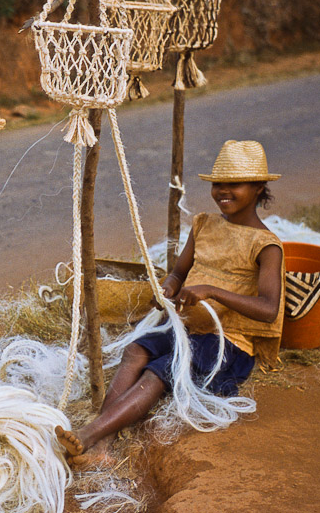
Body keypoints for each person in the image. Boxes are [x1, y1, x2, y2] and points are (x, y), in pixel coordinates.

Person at [56, 139, 285, 468]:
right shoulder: (204, 224)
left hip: (225, 344)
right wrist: (168, 287)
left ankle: (90, 434)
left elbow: (268, 309)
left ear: (258, 187)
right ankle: (103, 443)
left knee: (158, 373)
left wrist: (213, 291)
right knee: (135, 351)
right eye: (217, 184)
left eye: (234, 184)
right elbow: (179, 272)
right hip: (188, 327)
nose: (223, 191)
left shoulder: (266, 245)